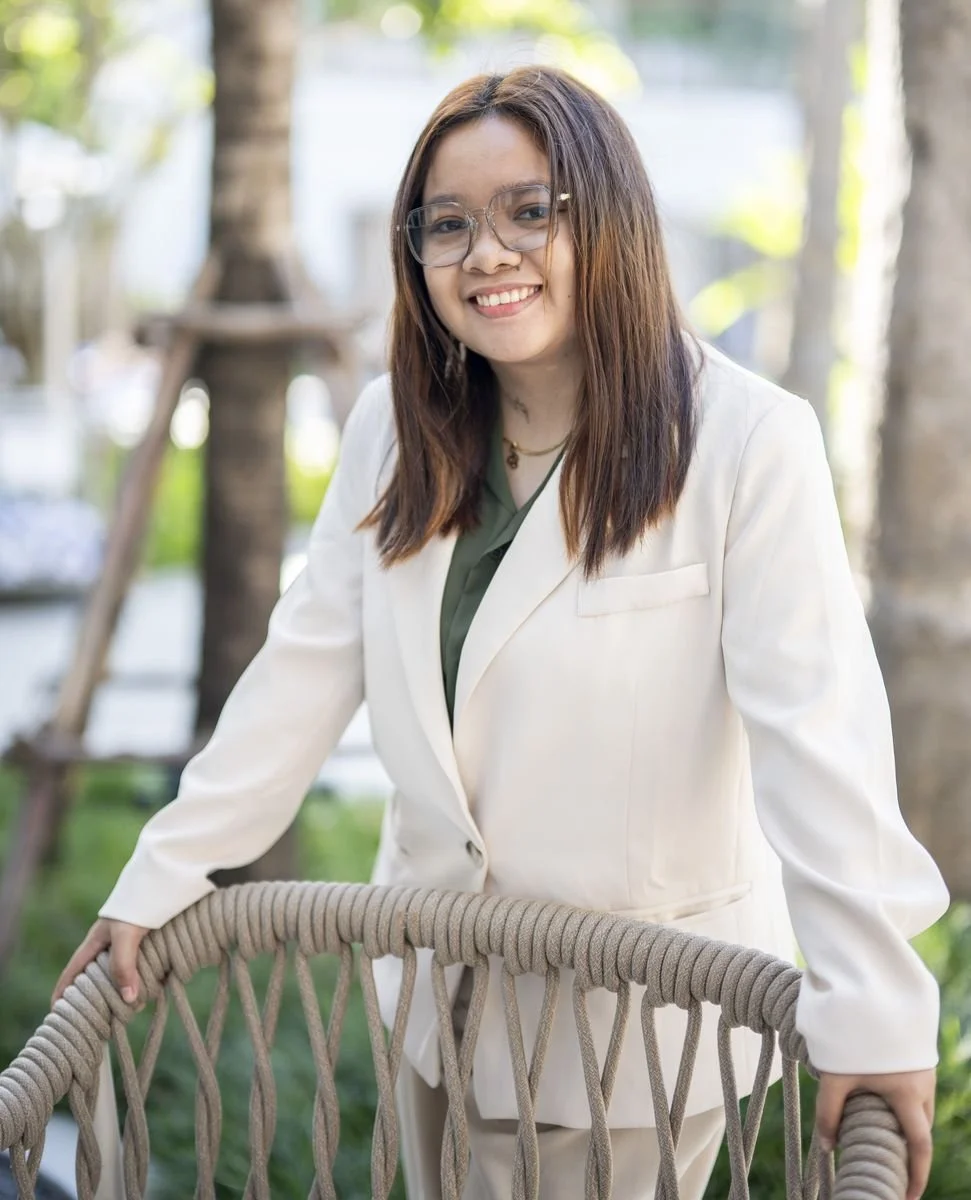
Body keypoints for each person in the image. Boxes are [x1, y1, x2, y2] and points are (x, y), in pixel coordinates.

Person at [55, 66, 948, 1199]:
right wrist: (157, 873)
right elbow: (299, 674)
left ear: (608, 216)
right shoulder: (394, 429)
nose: (486, 253)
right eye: (448, 224)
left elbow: (817, 745)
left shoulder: (746, 443)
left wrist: (872, 1006)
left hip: (634, 1036)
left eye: (532, 210)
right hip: (432, 997)